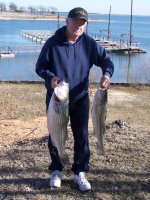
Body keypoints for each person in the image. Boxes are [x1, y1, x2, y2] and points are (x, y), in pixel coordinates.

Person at [36, 7, 114, 191]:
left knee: (82, 136)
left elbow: (106, 61)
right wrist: (51, 77)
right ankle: (56, 169)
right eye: (76, 21)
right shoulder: (52, 43)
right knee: (55, 134)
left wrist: (107, 74)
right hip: (57, 99)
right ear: (67, 21)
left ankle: (80, 171)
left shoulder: (88, 44)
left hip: (80, 99)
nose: (79, 26)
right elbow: (40, 67)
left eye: (83, 23)